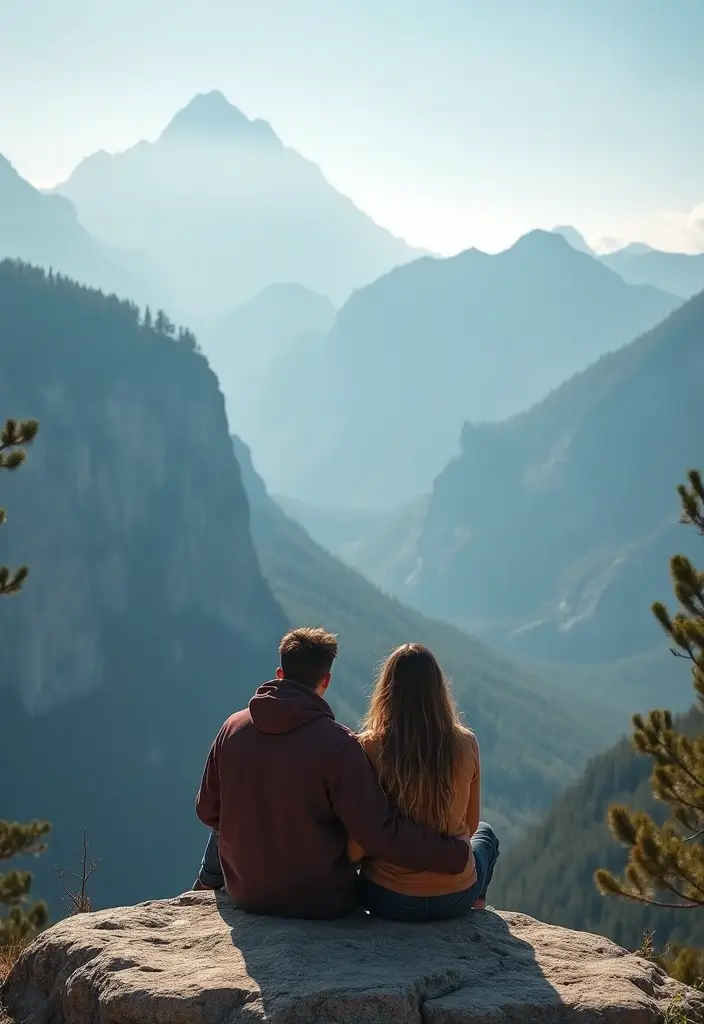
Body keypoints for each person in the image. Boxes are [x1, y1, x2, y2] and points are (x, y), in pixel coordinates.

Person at [194, 627, 471, 919]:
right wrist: (452, 855)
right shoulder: (339, 745)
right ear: (325, 680)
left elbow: (207, 811)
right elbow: (377, 831)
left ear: (280, 673)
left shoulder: (232, 729)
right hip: (319, 900)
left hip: (247, 893)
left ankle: (204, 882)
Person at [347, 643, 499, 922]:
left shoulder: (369, 746)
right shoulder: (466, 743)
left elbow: (360, 837)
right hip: (455, 899)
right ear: (438, 691)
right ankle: (477, 912)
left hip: (387, 898)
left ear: (387, 691)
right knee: (486, 835)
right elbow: (472, 824)